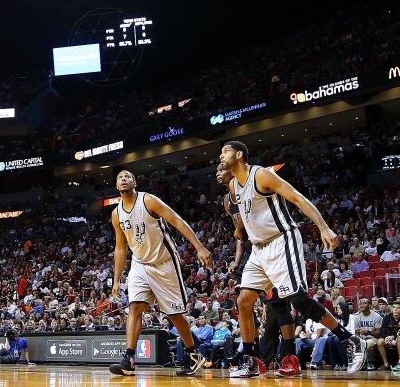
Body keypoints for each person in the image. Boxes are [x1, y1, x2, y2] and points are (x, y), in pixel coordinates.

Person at [218, 140, 366, 377]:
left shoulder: (262, 175)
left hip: (281, 240)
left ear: (239, 155)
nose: (220, 156)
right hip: (258, 249)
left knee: (297, 300)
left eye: (225, 152)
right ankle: (251, 359)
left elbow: (297, 197)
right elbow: (245, 223)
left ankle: (350, 340)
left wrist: (323, 227)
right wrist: (240, 230)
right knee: (244, 301)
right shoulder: (234, 186)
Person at [107, 169, 214, 376]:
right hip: (139, 264)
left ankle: (194, 355)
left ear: (134, 182)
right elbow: (121, 248)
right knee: (135, 306)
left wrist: (199, 247)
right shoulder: (116, 213)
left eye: (128, 176)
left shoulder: (149, 201)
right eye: (120, 177)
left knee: (174, 314)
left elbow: (177, 220)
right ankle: (129, 358)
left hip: (164, 262)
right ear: (116, 186)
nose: (123, 179)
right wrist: (117, 280)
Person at [218, 162, 300, 377]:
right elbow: (240, 232)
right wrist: (237, 260)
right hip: (253, 252)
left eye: (220, 168)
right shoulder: (228, 201)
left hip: (275, 244)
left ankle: (290, 355)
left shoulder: (253, 182)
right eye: (217, 170)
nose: (218, 172)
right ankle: (251, 357)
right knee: (244, 304)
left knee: (280, 305)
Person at [350, 297, 384, 370]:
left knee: (366, 344)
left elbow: (379, 332)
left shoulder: (377, 316)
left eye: (365, 303)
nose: (362, 305)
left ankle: (370, 362)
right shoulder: (357, 317)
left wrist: (367, 332)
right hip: (362, 338)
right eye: (360, 303)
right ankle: (358, 363)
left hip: (374, 338)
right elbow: (356, 332)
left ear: (370, 306)